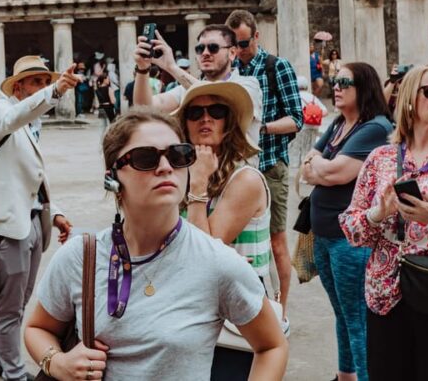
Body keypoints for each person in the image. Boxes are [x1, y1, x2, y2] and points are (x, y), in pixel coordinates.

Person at [24, 108, 287, 380]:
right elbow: (37, 328)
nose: (165, 167)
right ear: (112, 177)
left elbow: (272, 345)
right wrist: (56, 362)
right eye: (145, 158)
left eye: (178, 155)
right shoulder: (80, 257)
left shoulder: (217, 262)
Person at [340, 64, 428, 381]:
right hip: (386, 296)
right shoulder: (381, 159)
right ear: (411, 101)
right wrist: (378, 214)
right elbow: (351, 228)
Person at [0, 55, 76, 381]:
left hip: (27, 223)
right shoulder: (0, 112)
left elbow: (29, 179)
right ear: (18, 87)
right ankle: (14, 374)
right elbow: (14, 117)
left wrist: (53, 212)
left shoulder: (28, 125)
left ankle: (5, 359)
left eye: (46, 83)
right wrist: (56, 91)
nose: (43, 89)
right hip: (4, 228)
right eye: (37, 83)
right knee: (9, 309)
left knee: (18, 305)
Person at [176, 81, 278, 378]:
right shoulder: (180, 176)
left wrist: (197, 186)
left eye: (216, 111)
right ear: (185, 124)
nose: (205, 118)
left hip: (236, 319)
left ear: (229, 122)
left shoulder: (244, 179)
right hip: (193, 309)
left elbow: (203, 254)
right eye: (195, 113)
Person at [301, 63, 392, 381]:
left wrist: (319, 166)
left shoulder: (375, 128)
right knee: (341, 312)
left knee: (357, 319)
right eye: (334, 80)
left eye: (344, 82)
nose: (335, 86)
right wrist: (320, 167)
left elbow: (336, 172)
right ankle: (345, 375)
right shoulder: (339, 123)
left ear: (364, 87)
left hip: (349, 239)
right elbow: (307, 166)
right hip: (324, 234)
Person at [227, 9, 303, 322]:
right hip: (238, 170)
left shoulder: (277, 66)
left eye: (244, 43)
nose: (240, 50)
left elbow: (296, 119)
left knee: (276, 242)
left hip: (270, 165)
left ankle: (282, 311)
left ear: (256, 36)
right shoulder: (229, 68)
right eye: (234, 45)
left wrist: (261, 128)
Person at [134, 24, 264, 146]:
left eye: (213, 48)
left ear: (232, 53)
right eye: (200, 49)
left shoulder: (249, 84)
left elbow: (215, 95)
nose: (205, 53)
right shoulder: (184, 89)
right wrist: (142, 68)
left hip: (238, 168)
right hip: (200, 168)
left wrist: (172, 67)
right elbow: (144, 107)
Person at [290, 76, 329, 165]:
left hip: (301, 128)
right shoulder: (313, 98)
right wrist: (313, 116)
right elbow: (325, 111)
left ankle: (296, 170)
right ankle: (308, 166)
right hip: (314, 127)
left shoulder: (295, 97)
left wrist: (305, 116)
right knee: (309, 149)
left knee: (297, 149)